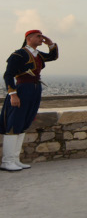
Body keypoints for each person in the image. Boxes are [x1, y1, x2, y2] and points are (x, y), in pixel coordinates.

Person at [1, 30, 58, 171]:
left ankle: (15, 159)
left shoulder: (37, 55)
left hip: (34, 89)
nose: (41, 38)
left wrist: (50, 44)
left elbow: (52, 56)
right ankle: (7, 161)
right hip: (22, 90)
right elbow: (8, 75)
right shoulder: (18, 54)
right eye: (38, 36)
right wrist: (13, 94)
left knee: (24, 124)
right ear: (29, 38)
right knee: (14, 124)